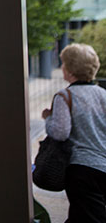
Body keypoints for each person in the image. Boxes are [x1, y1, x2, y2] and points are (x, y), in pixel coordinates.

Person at [42, 43, 106, 222]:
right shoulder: (103, 94)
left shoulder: (65, 96)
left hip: (82, 170)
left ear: (70, 69)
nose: (62, 67)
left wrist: (48, 118)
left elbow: (60, 132)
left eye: (63, 63)